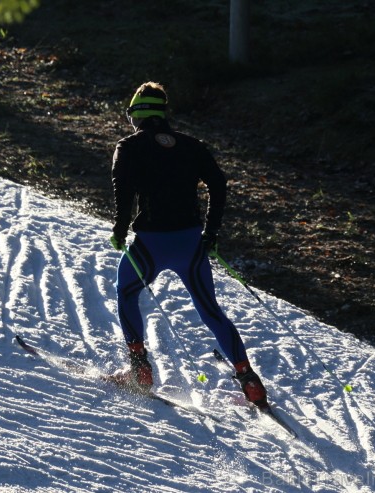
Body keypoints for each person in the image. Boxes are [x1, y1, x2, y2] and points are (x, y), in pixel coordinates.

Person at [107, 81, 268, 409]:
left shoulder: (129, 146)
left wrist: (121, 229)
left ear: (135, 114)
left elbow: (121, 188)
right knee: (210, 310)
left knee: (127, 293)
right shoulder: (192, 145)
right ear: (163, 114)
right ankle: (249, 379)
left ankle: (140, 370)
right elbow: (219, 185)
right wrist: (211, 233)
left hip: (150, 244)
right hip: (191, 244)